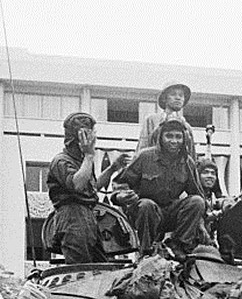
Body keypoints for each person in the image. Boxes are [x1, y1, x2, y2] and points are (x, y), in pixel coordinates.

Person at [113, 117, 206, 259]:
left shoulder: (187, 162)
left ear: (184, 140)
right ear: (160, 138)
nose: (174, 141)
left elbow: (197, 193)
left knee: (197, 201)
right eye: (169, 136)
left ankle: (178, 245)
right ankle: (146, 251)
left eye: (178, 137)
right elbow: (121, 183)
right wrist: (121, 196)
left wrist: (202, 222)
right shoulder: (145, 156)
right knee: (146, 205)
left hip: (170, 212)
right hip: (144, 213)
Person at [46, 111, 131, 263]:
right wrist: (89, 155)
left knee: (101, 268)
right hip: (72, 217)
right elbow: (77, 185)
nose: (92, 140)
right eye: (87, 136)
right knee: (81, 269)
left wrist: (113, 168)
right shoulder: (61, 161)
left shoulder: (82, 161)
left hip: (89, 217)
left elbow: (92, 186)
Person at [138, 82, 193, 152]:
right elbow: (143, 146)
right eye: (173, 94)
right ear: (164, 98)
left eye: (181, 95)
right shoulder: (152, 120)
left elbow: (191, 154)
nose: (178, 98)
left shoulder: (186, 126)